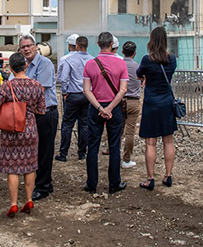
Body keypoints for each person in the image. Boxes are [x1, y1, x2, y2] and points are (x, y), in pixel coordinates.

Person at [0, 52, 46, 217]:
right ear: (26, 66)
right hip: (30, 129)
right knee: (30, 166)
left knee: (13, 168)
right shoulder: (36, 85)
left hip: (11, 131)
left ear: (10, 68)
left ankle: (14, 204)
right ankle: (29, 199)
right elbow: (42, 110)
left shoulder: (7, 86)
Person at [82, 32, 128, 194]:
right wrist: (109, 108)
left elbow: (86, 90)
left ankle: (91, 183)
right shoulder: (121, 64)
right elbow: (123, 90)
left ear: (98, 43)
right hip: (114, 108)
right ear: (112, 44)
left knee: (93, 146)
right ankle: (114, 183)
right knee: (114, 146)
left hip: (95, 108)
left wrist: (100, 108)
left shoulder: (90, 64)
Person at [137, 27, 177, 190]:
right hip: (167, 102)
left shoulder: (147, 60)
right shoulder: (172, 59)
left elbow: (139, 74)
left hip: (151, 103)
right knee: (168, 141)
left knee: (151, 143)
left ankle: (150, 178)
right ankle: (168, 175)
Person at [19, 35, 58, 201]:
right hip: (32, 114)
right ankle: (45, 182)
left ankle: (42, 187)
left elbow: (38, 90)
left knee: (44, 151)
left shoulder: (45, 64)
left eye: (29, 46)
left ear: (36, 47)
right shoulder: (24, 66)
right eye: (23, 47)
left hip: (46, 113)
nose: (26, 49)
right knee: (34, 150)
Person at [56, 35, 93, 162]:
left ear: (76, 46)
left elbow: (64, 78)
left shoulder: (69, 59)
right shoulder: (92, 60)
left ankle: (63, 153)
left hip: (73, 95)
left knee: (67, 124)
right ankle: (82, 153)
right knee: (84, 124)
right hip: (87, 95)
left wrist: (65, 93)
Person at [121, 41, 142, 169]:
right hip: (134, 101)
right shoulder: (138, 67)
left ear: (122, 52)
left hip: (119, 101)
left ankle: (114, 156)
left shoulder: (118, 65)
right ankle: (126, 159)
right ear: (134, 53)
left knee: (117, 130)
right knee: (130, 132)